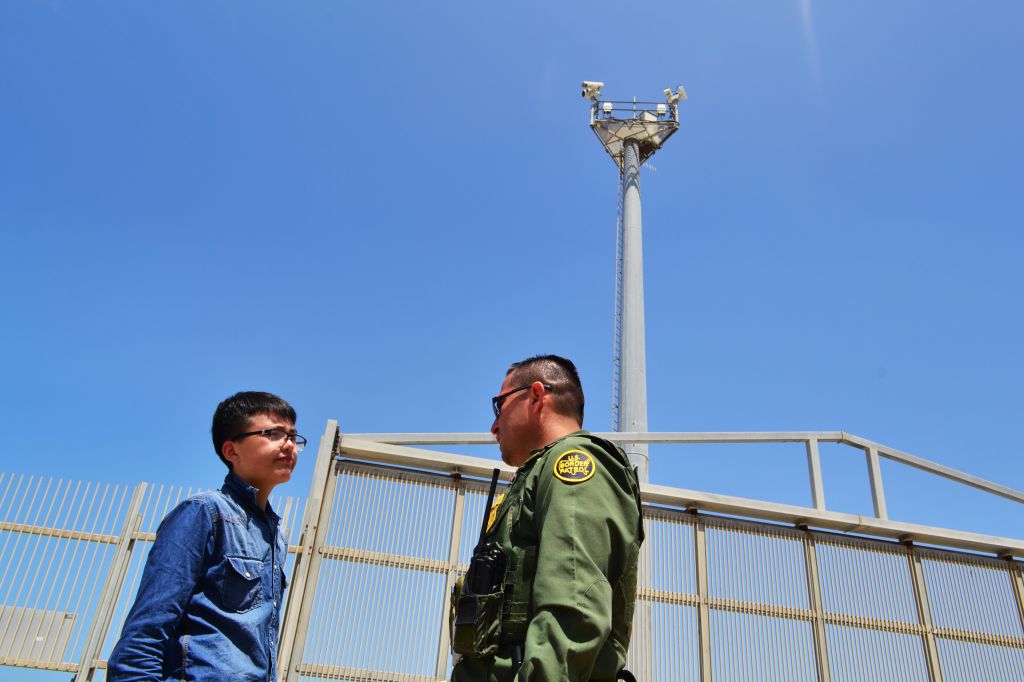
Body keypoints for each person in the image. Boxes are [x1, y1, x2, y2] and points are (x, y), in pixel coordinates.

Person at [451, 355, 644, 682]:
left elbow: (573, 608)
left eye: (500, 405)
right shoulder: (534, 477)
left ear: (537, 395)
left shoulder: (574, 463)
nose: (494, 425)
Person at [107, 391, 304, 681]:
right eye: (273, 433)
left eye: (293, 436)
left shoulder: (275, 535)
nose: (289, 445)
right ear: (231, 451)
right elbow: (147, 629)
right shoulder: (204, 513)